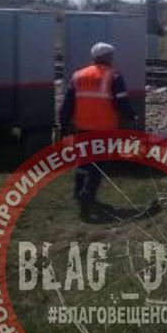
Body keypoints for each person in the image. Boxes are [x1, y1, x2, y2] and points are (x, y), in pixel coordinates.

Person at [58, 42, 138, 222]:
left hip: (82, 127)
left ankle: (79, 194)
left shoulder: (78, 75)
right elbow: (121, 102)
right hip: (103, 128)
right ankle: (88, 197)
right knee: (97, 166)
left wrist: (63, 124)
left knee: (83, 162)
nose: (112, 59)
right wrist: (132, 117)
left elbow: (68, 103)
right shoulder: (114, 76)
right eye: (111, 56)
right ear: (107, 57)